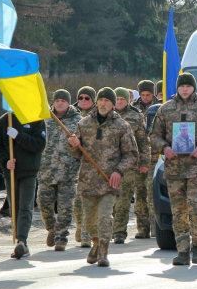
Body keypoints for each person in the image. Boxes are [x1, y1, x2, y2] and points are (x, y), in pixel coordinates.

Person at [150, 73, 197, 266]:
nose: (185, 89)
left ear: (194, 88)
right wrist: (164, 148)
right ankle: (183, 250)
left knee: (196, 206)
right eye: (182, 86)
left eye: (188, 86)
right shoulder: (166, 109)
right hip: (174, 168)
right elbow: (154, 134)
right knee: (178, 211)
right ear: (177, 87)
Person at [67, 87, 137, 267]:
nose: (103, 104)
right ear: (96, 102)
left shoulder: (122, 126)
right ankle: (96, 243)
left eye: (107, 101)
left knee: (105, 217)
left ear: (113, 104)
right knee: (89, 222)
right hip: (88, 180)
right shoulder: (84, 124)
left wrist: (118, 171)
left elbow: (131, 154)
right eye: (101, 100)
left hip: (109, 182)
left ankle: (104, 252)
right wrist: (73, 145)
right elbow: (75, 153)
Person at [0, 107, 47, 259]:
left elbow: (39, 144)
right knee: (14, 207)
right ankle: (20, 241)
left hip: (29, 171)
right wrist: (4, 162)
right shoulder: (5, 120)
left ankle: (22, 240)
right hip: (11, 172)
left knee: (25, 206)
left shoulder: (36, 119)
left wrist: (19, 136)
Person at [38, 89, 80, 251]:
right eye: (57, 101)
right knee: (43, 203)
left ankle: (61, 237)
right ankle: (51, 229)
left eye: (63, 100)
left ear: (68, 103)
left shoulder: (77, 121)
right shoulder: (45, 119)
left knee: (65, 207)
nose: (60, 103)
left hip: (68, 172)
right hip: (46, 170)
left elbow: (84, 143)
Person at [112, 87, 150, 244]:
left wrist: (145, 161)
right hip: (110, 162)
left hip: (130, 162)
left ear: (128, 100)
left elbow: (143, 140)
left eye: (122, 99)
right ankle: (116, 226)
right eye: (117, 99)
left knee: (128, 196)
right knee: (113, 198)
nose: (119, 101)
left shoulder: (135, 115)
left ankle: (122, 231)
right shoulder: (106, 115)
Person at [131, 79, 159, 239]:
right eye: (143, 94)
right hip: (137, 156)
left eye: (148, 94)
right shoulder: (133, 109)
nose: (145, 97)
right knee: (139, 193)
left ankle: (156, 227)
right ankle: (142, 228)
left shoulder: (160, 108)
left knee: (152, 193)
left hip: (154, 156)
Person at [73, 85, 97, 248]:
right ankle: (81, 226)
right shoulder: (72, 115)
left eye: (87, 98)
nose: (83, 101)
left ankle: (87, 233)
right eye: (80, 98)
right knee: (77, 201)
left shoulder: (97, 116)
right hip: (74, 164)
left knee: (90, 200)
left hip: (93, 164)